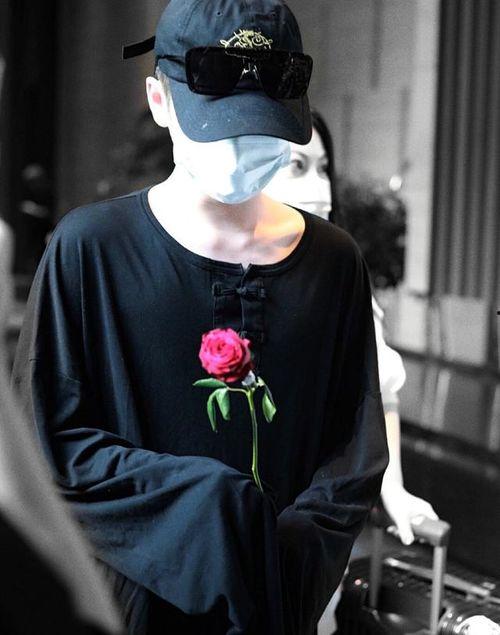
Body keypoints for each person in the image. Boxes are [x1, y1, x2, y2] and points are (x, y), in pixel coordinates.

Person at [12, 2, 389, 634]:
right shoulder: (91, 249)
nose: (241, 151)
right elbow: (50, 440)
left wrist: (287, 569)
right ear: (160, 102)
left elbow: (355, 444)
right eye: (219, 128)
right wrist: (210, 512)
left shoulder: (333, 261)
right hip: (132, 606)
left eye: (263, 130)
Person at [264, 110, 438, 633]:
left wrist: (394, 490)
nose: (320, 190)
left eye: (324, 169)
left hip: (314, 529)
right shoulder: (219, 269)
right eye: (297, 167)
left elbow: (380, 392)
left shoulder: (344, 282)